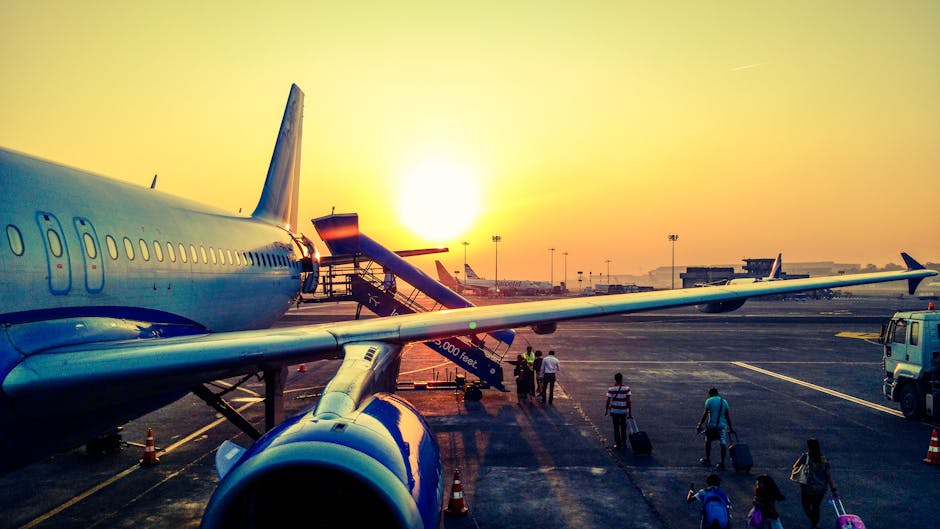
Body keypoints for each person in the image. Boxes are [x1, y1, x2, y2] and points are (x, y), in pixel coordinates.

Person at [790, 438, 837, 529]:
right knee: (816, 506)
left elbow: (795, 465)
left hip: (808, 487)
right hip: (821, 488)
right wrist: (833, 489)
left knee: (806, 506)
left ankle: (814, 522)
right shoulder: (823, 459)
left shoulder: (806, 457)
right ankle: (815, 525)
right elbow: (828, 475)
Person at [695, 387, 734, 470]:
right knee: (723, 443)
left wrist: (700, 424)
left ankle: (708, 459)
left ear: (710, 394)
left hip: (712, 424)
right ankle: (722, 463)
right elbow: (727, 416)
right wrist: (730, 427)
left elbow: (705, 414)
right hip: (723, 425)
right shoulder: (724, 401)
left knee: (708, 441)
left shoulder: (709, 401)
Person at [605, 372, 632, 449]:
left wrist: (606, 410)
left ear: (615, 379)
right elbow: (629, 401)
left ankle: (618, 443)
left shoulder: (611, 389)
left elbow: (608, 401)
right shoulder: (626, 388)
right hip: (623, 411)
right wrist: (630, 413)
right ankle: (624, 443)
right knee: (623, 427)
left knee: (616, 427)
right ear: (622, 379)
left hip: (614, 411)